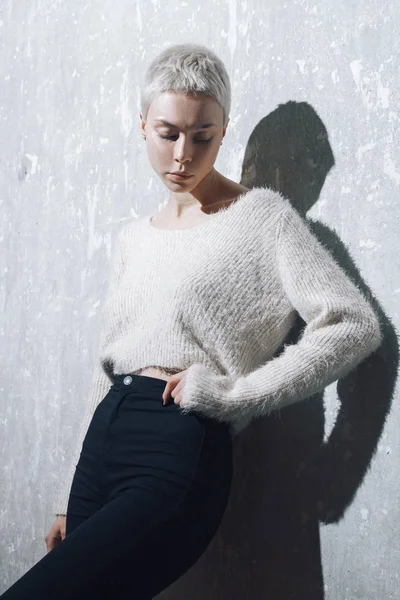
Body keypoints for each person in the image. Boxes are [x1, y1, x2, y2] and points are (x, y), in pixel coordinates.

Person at [1, 43, 382, 599]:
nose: (183, 154)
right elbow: (105, 367)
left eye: (202, 136)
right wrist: (68, 495)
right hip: (104, 443)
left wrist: (237, 396)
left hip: (178, 440)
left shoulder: (264, 218)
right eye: (168, 133)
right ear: (143, 126)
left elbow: (353, 324)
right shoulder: (134, 237)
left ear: (224, 131)